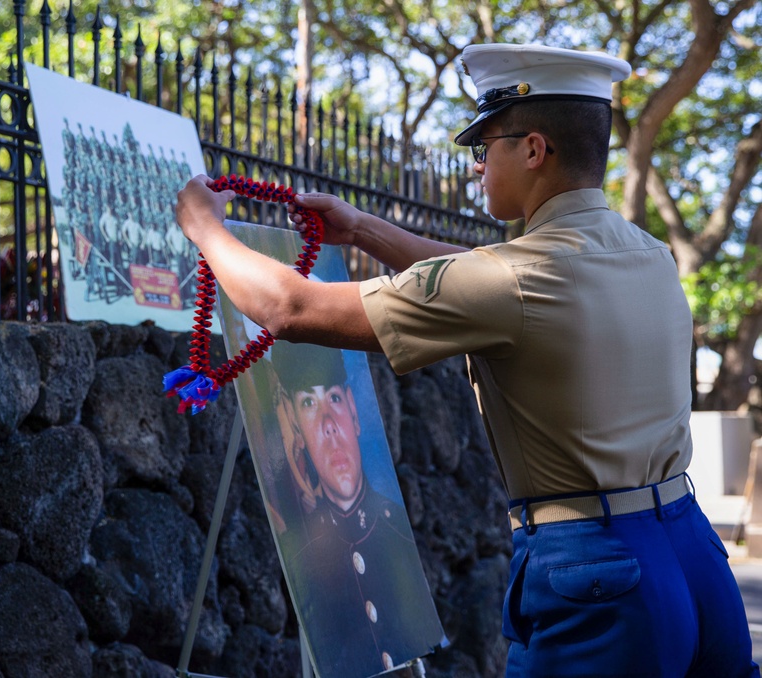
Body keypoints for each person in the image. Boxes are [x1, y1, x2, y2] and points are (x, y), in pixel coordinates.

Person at [175, 42, 758, 677]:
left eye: (486, 148)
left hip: (599, 573)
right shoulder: (644, 252)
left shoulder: (519, 279)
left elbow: (290, 307)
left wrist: (206, 228)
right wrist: (367, 230)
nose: (477, 168)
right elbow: (487, 280)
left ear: (533, 150)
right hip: (692, 554)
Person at [268, 340, 441, 678]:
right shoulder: (300, 551)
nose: (328, 423)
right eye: (308, 403)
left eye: (333, 398)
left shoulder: (396, 534)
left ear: (353, 412)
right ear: (298, 431)